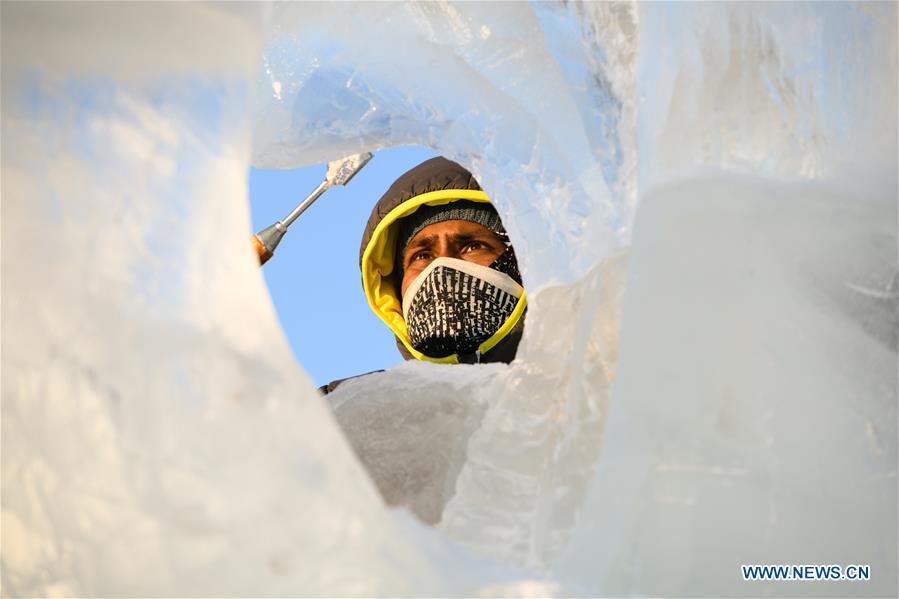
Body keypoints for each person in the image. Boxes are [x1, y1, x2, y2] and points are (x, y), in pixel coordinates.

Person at [319, 156, 526, 394]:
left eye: (472, 246)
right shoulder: (346, 410)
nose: (442, 269)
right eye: (422, 255)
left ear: (521, 265)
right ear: (396, 288)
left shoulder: (573, 384)